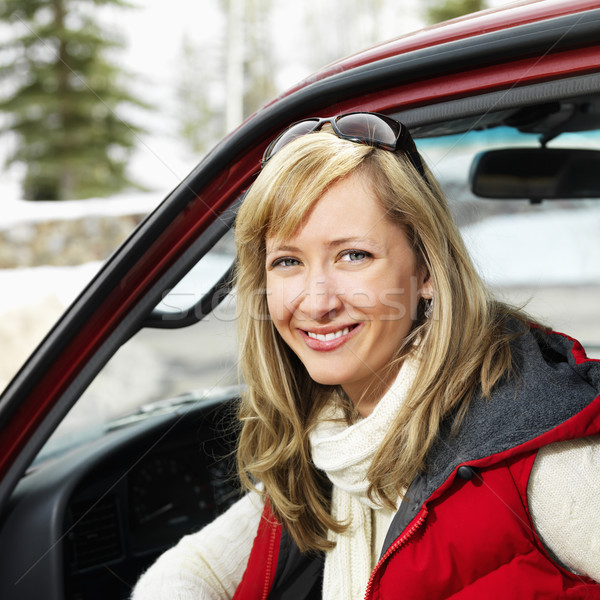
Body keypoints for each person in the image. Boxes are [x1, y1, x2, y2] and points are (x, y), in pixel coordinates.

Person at [131, 113, 600, 599]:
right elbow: (190, 571)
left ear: (427, 273)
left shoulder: (545, 457)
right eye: (288, 261)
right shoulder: (331, 442)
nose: (315, 302)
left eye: (353, 255)